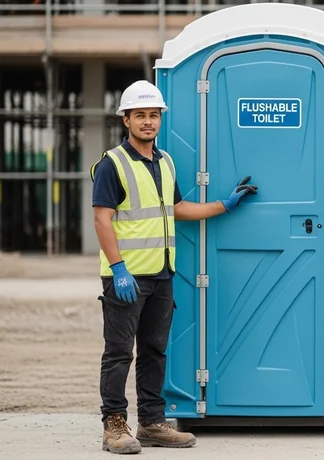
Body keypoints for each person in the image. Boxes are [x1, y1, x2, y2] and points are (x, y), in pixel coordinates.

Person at [91, 80, 258, 454]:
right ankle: (114, 425)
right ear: (126, 120)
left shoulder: (164, 162)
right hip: (126, 278)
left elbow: (177, 209)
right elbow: (102, 220)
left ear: (160, 119)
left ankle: (151, 422)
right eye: (140, 116)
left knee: (154, 350)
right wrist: (118, 269)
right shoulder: (111, 164)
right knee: (119, 352)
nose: (148, 122)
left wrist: (223, 205)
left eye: (153, 115)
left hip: (162, 275)